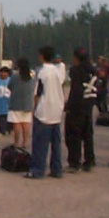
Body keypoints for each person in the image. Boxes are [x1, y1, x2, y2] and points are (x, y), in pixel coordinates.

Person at [25, 46, 65, 179]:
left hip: (44, 110)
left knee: (40, 144)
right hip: (56, 110)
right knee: (56, 144)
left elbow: (38, 93)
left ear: (42, 56)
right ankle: (57, 169)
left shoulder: (42, 72)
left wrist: (34, 108)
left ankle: (38, 169)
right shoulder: (58, 71)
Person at [64, 47, 97, 173]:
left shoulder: (77, 71)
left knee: (73, 135)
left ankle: (74, 162)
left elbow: (75, 91)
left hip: (77, 106)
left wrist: (69, 106)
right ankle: (89, 160)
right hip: (88, 104)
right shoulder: (93, 71)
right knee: (87, 134)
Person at [7, 58, 36, 148]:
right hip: (28, 103)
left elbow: (9, 86)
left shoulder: (15, 76)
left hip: (16, 103)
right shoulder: (31, 76)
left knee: (17, 124)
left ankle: (16, 142)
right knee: (26, 123)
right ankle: (25, 142)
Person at [0, 66, 11, 136]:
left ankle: (8, 129)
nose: (3, 74)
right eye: (1, 72)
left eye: (5, 72)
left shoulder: (11, 80)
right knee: (0, 118)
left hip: (9, 103)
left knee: (8, 118)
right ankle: (1, 130)